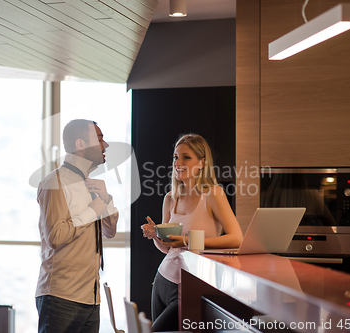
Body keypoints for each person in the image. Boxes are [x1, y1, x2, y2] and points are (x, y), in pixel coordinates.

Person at [141, 133, 243, 331]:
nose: (178, 162)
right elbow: (167, 249)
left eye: (186, 157)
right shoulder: (171, 198)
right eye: (175, 157)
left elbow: (236, 238)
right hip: (162, 280)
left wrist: (186, 241)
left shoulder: (213, 194)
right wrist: (155, 235)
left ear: (202, 162)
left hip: (189, 285)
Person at [35, 119, 119, 333]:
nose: (105, 145)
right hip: (61, 298)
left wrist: (107, 200)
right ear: (81, 144)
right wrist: (93, 210)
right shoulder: (55, 183)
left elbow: (109, 232)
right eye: (100, 139)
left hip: (91, 297)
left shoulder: (92, 185)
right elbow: (56, 236)